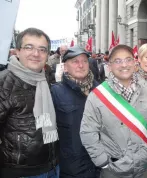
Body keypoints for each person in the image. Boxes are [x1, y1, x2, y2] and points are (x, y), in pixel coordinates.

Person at [80, 44, 147, 178]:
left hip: (144, 167)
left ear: (135, 63)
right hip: (114, 169)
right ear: (109, 66)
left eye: (128, 59)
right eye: (117, 61)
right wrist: (102, 161)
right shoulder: (97, 96)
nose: (124, 65)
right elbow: (87, 132)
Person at [0, 27, 59, 178]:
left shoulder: (46, 80)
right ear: (17, 51)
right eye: (29, 47)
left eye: (42, 49)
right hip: (19, 172)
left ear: (47, 54)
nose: (36, 53)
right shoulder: (3, 83)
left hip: (52, 166)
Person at [51, 47, 99, 177]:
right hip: (72, 168)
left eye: (84, 61)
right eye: (75, 61)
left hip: (100, 164)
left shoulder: (101, 90)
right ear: (65, 67)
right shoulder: (55, 92)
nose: (81, 65)